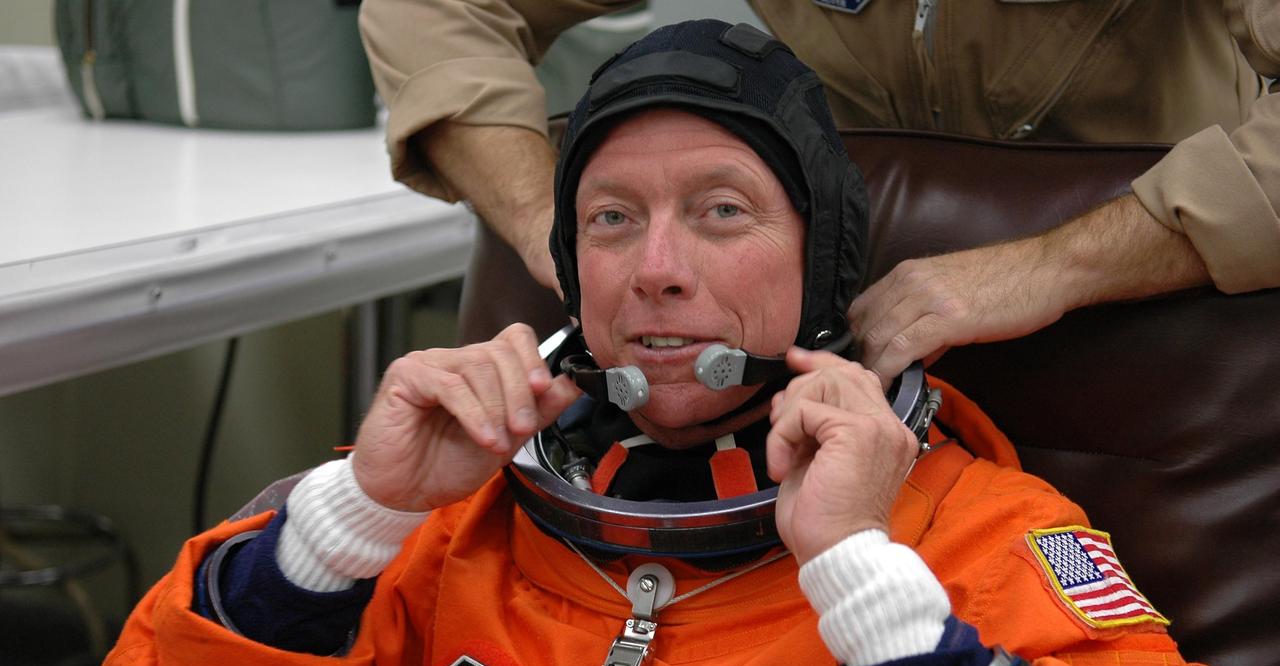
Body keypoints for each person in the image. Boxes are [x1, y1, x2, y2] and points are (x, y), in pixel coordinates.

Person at [92, 21, 1279, 666]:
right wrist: (350, 514)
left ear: (817, 268)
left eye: (720, 211)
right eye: (611, 219)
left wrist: (867, 583)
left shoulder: (975, 541)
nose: (654, 271)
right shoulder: (456, 512)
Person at [357, 0, 1280, 381]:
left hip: (1165, 333)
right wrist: (550, 227)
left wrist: (1055, 264)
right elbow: (430, 9)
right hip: (848, 340)